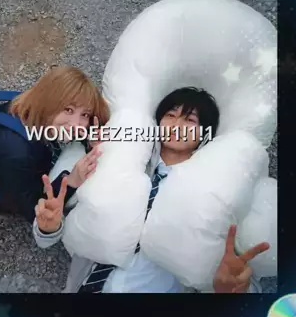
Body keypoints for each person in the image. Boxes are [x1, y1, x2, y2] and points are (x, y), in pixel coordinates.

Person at [33, 87, 269, 293]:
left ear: (205, 134)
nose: (177, 125)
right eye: (171, 115)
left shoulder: (213, 192)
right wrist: (48, 228)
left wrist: (230, 289)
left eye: (190, 121)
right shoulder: (117, 160)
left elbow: (235, 275)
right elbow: (49, 233)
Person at [0, 66, 109, 227]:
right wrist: (71, 181)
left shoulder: (30, 105)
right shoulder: (18, 152)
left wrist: (90, 138)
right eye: (68, 110)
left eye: (85, 115)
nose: (76, 124)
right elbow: (35, 212)